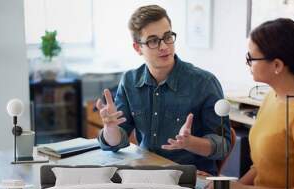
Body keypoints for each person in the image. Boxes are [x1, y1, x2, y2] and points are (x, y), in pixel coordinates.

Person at [96, 5, 231, 175]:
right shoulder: (130, 81)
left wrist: (190, 143)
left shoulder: (204, 83)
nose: (164, 46)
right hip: (145, 173)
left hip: (189, 178)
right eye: (153, 41)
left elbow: (223, 145)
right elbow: (115, 143)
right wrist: (110, 128)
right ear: (138, 48)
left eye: (167, 37)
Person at [206, 18, 294, 189]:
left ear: (276, 65)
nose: (247, 63)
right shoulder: (272, 96)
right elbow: (263, 165)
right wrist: (234, 188)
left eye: (251, 58)